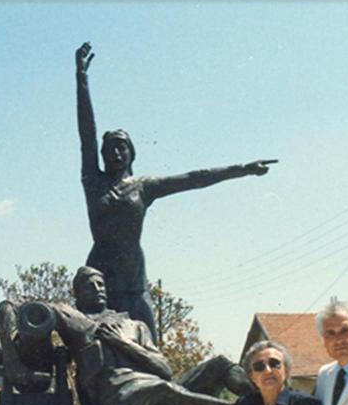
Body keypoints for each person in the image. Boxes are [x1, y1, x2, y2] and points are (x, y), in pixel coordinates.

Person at [75, 41, 273, 343]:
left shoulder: (145, 186)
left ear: (131, 153)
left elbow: (195, 178)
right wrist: (82, 79)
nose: (115, 153)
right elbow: (86, 131)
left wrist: (242, 168)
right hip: (100, 273)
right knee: (101, 343)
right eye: (109, 148)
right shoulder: (93, 181)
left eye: (121, 146)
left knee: (150, 341)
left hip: (133, 274)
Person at [0, 266, 253, 405]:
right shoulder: (75, 319)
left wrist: (121, 343)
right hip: (116, 400)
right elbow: (8, 307)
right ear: (76, 293)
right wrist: (12, 361)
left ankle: (263, 403)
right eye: (90, 285)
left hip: (157, 390)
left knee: (221, 363)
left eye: (101, 283)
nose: (98, 288)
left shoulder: (135, 325)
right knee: (164, 390)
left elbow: (164, 370)